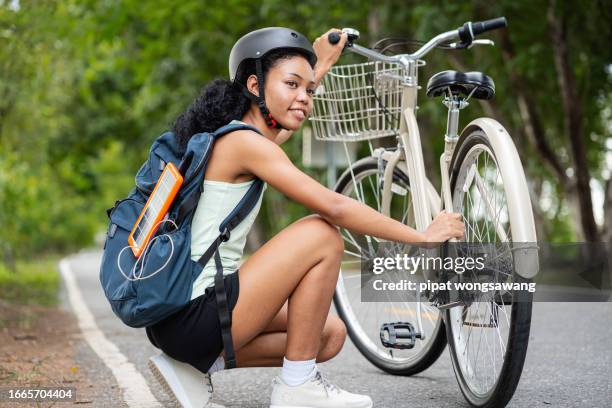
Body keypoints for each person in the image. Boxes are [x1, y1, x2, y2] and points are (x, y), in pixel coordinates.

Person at [146, 27, 465, 408]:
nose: (304, 98)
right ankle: (297, 389)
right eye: (292, 84)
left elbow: (279, 131)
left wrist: (322, 64)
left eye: (309, 90)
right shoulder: (244, 144)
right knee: (321, 232)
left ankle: (194, 365)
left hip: (184, 321)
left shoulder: (240, 139)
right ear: (254, 84)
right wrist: (422, 236)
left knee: (326, 335)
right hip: (192, 314)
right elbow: (335, 207)